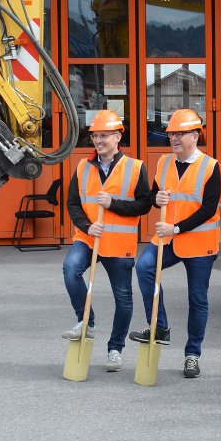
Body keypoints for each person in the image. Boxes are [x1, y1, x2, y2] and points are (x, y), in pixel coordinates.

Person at [129, 109, 221, 379]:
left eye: (180, 133)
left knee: (198, 299)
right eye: (171, 133)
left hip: (199, 242)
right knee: (145, 268)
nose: (174, 138)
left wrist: (177, 227)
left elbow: (208, 209)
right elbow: (153, 195)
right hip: (168, 238)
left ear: (195, 136)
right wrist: (154, 198)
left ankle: (192, 355)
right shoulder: (164, 162)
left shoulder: (211, 167)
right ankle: (160, 327)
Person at [61, 110, 153, 373]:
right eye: (94, 136)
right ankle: (86, 322)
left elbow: (144, 205)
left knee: (123, 298)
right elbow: (73, 204)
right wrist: (88, 226)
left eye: (103, 135)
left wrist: (113, 204)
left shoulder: (135, 167)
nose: (98, 140)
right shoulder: (82, 167)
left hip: (119, 244)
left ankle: (115, 349)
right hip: (89, 238)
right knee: (70, 269)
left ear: (117, 136)